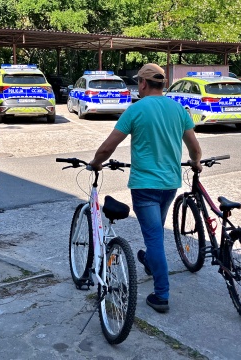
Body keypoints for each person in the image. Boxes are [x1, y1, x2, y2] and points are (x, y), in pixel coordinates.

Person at [90, 63, 202, 313]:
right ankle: (150, 262)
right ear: (161, 84)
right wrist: (196, 163)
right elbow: (195, 148)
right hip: (170, 185)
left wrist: (95, 164)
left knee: (154, 238)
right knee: (155, 233)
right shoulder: (178, 109)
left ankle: (161, 295)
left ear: (142, 83)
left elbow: (108, 148)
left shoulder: (136, 110)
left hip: (144, 187)